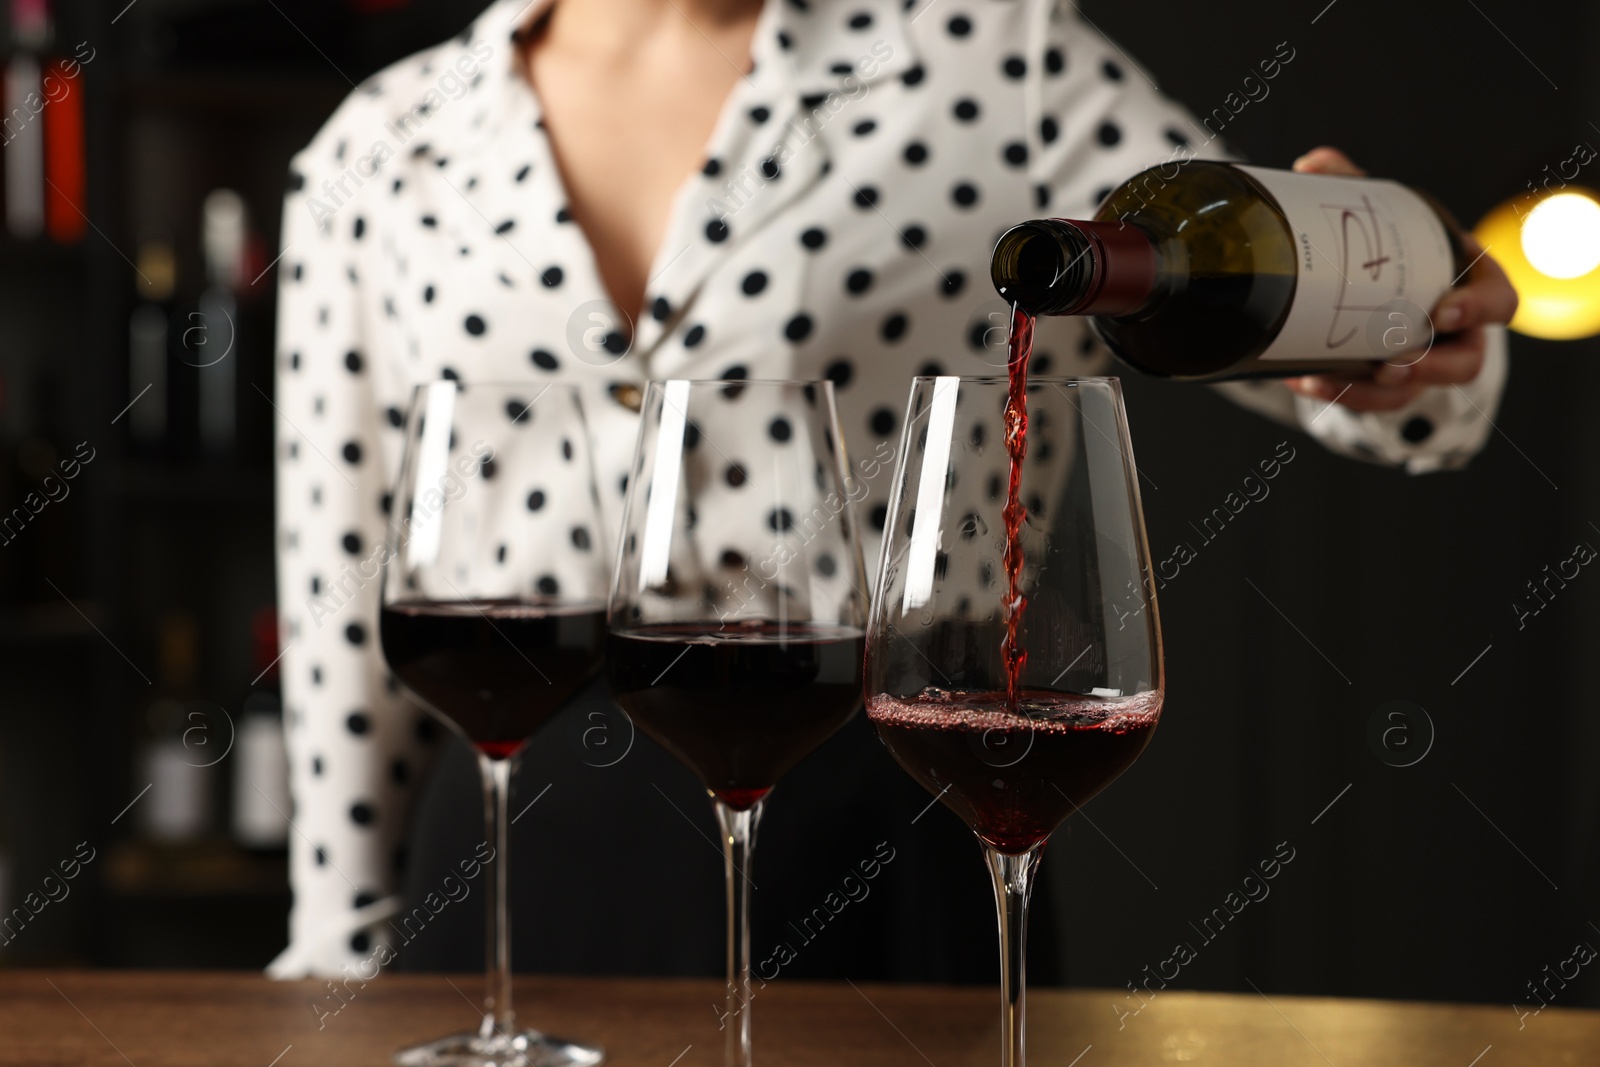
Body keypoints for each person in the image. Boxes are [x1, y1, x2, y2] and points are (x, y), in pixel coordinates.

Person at [267, 0, 1517, 978]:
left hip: (881, 829)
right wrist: (336, 951)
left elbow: (1269, 314)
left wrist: (1418, 345)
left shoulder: (994, 60)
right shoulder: (379, 146)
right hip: (506, 857)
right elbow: (336, 583)